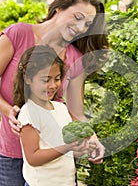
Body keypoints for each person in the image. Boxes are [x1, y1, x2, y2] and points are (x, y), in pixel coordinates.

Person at [0, 0, 108, 185]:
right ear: (60, 8)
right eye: (78, 17)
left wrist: (92, 138)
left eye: (88, 25)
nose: (81, 28)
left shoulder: (75, 59)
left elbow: (76, 113)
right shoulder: (18, 34)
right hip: (12, 154)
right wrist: (8, 110)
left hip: (54, 160)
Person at [14, 45, 92, 186]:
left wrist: (84, 147)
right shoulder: (29, 113)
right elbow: (33, 157)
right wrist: (67, 147)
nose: (53, 85)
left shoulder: (61, 108)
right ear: (27, 79)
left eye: (57, 79)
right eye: (45, 80)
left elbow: (65, 149)